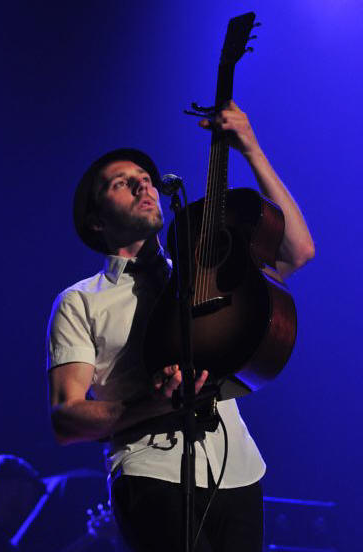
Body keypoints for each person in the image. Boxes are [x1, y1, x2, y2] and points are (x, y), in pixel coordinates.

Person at [47, 101, 315, 552]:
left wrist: (250, 148)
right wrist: (149, 405)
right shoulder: (80, 301)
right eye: (122, 183)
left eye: (146, 180)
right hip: (149, 470)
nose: (143, 186)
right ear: (96, 219)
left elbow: (298, 251)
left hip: (239, 471)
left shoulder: (201, 274)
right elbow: (65, 418)